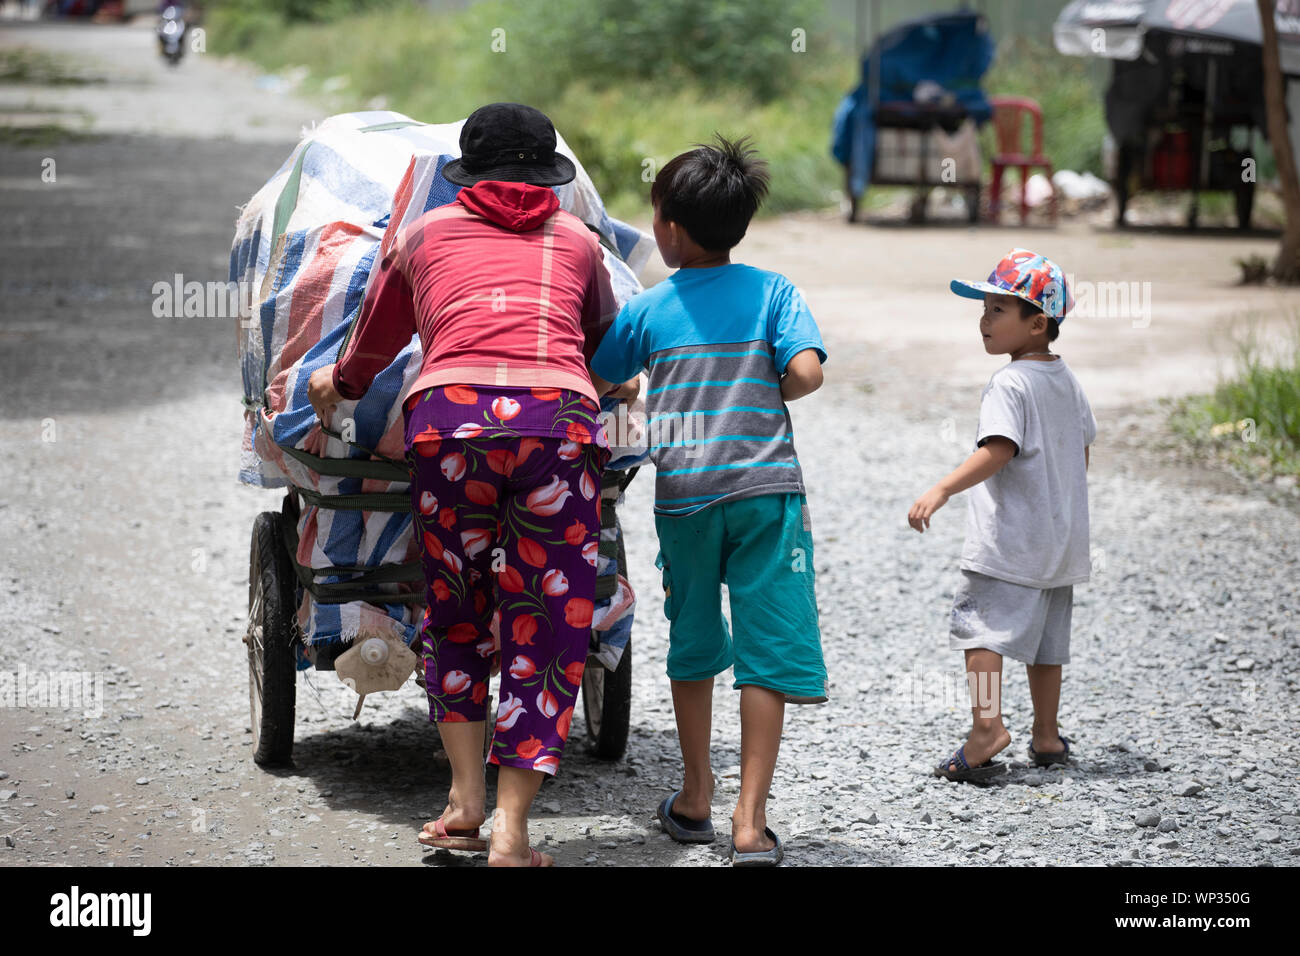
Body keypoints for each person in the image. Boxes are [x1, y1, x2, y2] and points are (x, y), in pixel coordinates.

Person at [307, 102, 636, 866]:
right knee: (547, 623)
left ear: (470, 173)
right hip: (557, 428)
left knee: (455, 610)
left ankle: (463, 802)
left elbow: (369, 350)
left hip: (450, 430)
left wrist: (337, 384)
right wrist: (615, 389)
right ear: (548, 173)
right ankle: (513, 834)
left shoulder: (421, 236)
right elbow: (603, 351)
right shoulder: (580, 243)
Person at [589, 136, 829, 866]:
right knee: (765, 649)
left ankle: (695, 796)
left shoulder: (651, 307)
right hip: (766, 493)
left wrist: (634, 387)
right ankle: (750, 822)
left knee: (693, 641)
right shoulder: (775, 292)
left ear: (666, 227)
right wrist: (766, 386)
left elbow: (600, 379)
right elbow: (808, 375)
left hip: (687, 500)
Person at [907, 248, 1096, 783]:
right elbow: (1081, 449)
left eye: (996, 310)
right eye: (984, 309)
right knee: (1046, 644)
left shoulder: (1010, 384)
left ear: (1037, 324)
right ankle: (1046, 735)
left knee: (981, 634)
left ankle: (987, 729)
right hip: (1060, 542)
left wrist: (943, 488)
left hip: (1010, 542)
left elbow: (998, 449)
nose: (983, 320)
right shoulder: (1066, 379)